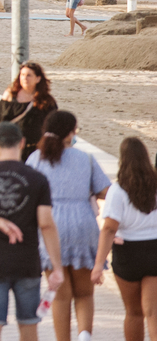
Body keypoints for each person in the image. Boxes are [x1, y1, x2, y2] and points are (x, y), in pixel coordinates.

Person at [0, 122, 65, 341]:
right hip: (27, 263)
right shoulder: (37, 179)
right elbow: (46, 223)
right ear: (22, 143)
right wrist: (57, 267)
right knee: (28, 326)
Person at [26, 111, 111, 341]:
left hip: (50, 226)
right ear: (70, 133)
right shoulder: (86, 158)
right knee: (85, 293)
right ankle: (85, 336)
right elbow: (106, 191)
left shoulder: (35, 159)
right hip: (83, 224)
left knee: (60, 296)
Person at [91, 137, 157, 341]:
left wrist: (98, 264)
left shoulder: (118, 191)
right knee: (153, 312)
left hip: (127, 253)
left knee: (133, 312)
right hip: (154, 249)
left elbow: (109, 228)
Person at [0, 61, 58, 162]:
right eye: (22, 75)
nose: (24, 78)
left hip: (37, 150)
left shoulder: (46, 101)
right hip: (12, 149)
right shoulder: (10, 96)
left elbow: (53, 127)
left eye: (29, 75)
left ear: (38, 78)